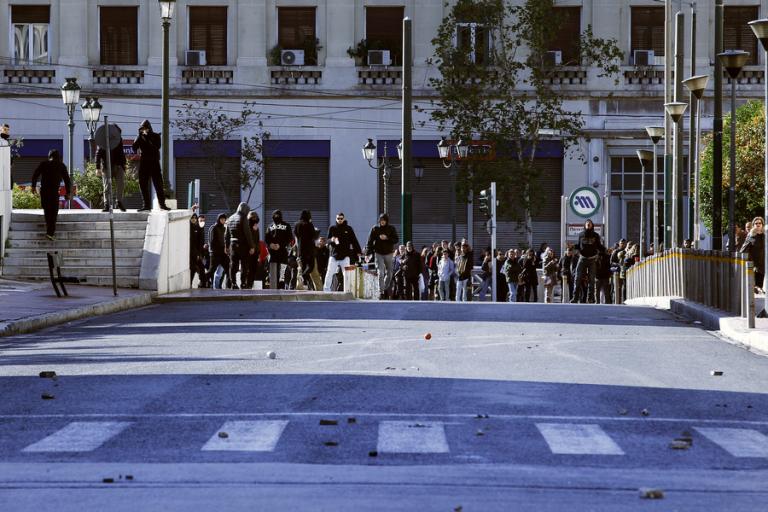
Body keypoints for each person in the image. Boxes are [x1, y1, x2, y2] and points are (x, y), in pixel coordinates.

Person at [31, 149, 71, 241]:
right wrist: (68, 192)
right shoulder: (61, 165)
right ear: (58, 157)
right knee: (53, 212)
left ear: (49, 156)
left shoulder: (44, 164)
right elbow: (67, 180)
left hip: (44, 191)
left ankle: (50, 231)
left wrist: (33, 186)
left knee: (47, 210)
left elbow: (35, 175)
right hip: (54, 192)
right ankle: (50, 233)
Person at [131, 119, 169, 211]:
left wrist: (148, 137)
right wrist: (139, 136)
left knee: (158, 184)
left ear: (149, 128)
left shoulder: (156, 136)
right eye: (142, 128)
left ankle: (162, 204)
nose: (144, 130)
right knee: (142, 184)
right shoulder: (140, 137)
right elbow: (134, 148)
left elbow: (157, 146)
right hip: (144, 163)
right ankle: (146, 205)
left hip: (154, 162)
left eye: (145, 128)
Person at [324, 212, 362, 292]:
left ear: (344, 219)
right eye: (338, 218)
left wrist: (358, 251)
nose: (340, 220)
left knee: (347, 274)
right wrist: (332, 240)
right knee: (329, 272)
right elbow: (327, 240)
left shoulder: (348, 229)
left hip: (345, 255)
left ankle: (348, 290)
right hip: (334, 255)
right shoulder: (332, 228)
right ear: (336, 219)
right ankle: (326, 289)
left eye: (341, 218)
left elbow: (354, 240)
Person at [365, 213, 399, 299]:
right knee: (381, 273)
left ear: (386, 221)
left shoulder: (391, 228)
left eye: (384, 220)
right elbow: (369, 241)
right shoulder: (375, 229)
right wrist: (367, 253)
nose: (382, 222)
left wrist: (387, 238)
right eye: (381, 220)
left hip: (389, 253)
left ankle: (384, 288)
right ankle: (381, 291)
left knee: (390, 273)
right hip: (378, 253)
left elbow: (396, 239)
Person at [571, 219, 604, 304]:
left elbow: (599, 246)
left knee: (591, 280)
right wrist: (572, 246)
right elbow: (579, 246)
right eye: (587, 223)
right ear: (585, 225)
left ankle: (590, 299)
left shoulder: (596, 235)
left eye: (590, 224)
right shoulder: (581, 235)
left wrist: (606, 250)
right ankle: (575, 298)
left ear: (592, 225)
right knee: (577, 278)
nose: (588, 225)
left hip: (592, 259)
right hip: (582, 258)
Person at [225, 202, 256, 289]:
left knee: (233, 264)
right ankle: (243, 283)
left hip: (232, 245)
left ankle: (233, 283)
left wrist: (226, 246)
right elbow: (247, 233)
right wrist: (252, 246)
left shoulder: (230, 218)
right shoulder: (243, 218)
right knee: (244, 265)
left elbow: (226, 234)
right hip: (243, 245)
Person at [95, 129, 127, 212]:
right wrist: (97, 167)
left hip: (118, 165)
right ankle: (107, 204)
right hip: (106, 166)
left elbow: (121, 153)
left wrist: (124, 165)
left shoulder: (119, 140)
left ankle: (119, 202)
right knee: (106, 186)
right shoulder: (103, 140)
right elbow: (98, 154)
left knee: (121, 184)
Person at [264, 210, 294, 290]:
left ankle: (281, 286)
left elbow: (290, 238)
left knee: (282, 271)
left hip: (282, 252)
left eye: (278, 215)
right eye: (275, 215)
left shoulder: (286, 225)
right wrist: (270, 245)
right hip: (273, 253)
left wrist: (280, 245)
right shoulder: (270, 226)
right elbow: (266, 238)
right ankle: (274, 287)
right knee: (273, 271)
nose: (276, 216)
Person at [294, 210, 322, 291]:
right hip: (310, 253)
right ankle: (319, 290)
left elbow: (296, 237)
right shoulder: (310, 225)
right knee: (314, 274)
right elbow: (314, 236)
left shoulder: (297, 225)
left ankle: (299, 289)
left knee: (300, 271)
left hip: (300, 252)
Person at [741, 216, 765, 292]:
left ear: (762, 224)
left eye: (760, 223)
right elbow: (744, 249)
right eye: (756, 223)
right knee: (758, 286)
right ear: (753, 225)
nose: (758, 224)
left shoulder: (766, 235)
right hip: (755, 265)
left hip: (764, 264)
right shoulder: (751, 236)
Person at [207, 213, 230, 289]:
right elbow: (211, 241)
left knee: (228, 269)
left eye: (224, 219)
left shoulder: (224, 228)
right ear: (218, 219)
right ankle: (203, 282)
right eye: (221, 219)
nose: (223, 221)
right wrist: (214, 251)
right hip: (215, 253)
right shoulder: (213, 228)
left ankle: (228, 286)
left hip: (223, 254)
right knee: (211, 270)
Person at [245, 211, 262, 289]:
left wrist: (258, 253)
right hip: (248, 251)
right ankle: (246, 284)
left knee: (254, 269)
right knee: (247, 269)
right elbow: (248, 239)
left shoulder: (256, 227)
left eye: (255, 218)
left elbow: (257, 241)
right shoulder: (247, 227)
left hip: (255, 252)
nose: (254, 220)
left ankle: (250, 284)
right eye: (253, 218)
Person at [189, 213, 207, 287]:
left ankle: (202, 284)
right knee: (193, 269)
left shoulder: (199, 228)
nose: (194, 219)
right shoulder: (190, 228)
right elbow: (193, 243)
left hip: (198, 253)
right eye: (192, 218)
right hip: (192, 254)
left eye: (195, 218)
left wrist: (200, 254)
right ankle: (190, 284)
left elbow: (200, 243)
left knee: (201, 269)